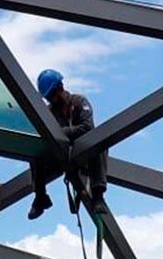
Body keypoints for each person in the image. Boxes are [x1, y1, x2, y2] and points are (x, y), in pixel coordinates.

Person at [27, 69, 107, 220]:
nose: (50, 100)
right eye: (48, 97)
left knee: (98, 141)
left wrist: (61, 133)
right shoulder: (49, 113)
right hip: (62, 156)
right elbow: (46, 136)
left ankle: (98, 195)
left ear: (60, 88)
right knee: (36, 152)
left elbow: (87, 127)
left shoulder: (79, 102)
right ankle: (40, 197)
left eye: (52, 95)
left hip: (84, 154)